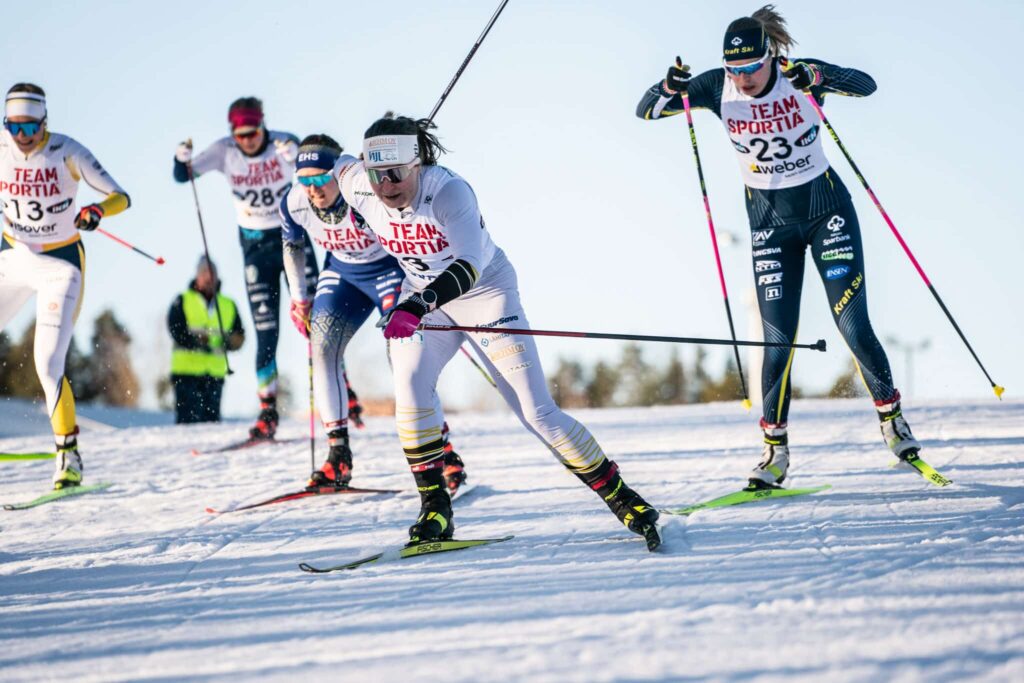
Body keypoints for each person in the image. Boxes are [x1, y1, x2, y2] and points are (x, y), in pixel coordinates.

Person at [333, 113, 660, 549]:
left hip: (484, 293)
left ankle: (625, 499)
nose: (386, 184)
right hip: (425, 302)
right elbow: (327, 163)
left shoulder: (449, 191)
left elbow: (467, 266)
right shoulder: (356, 184)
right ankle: (435, 509)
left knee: (536, 412)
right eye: (377, 173)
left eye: (396, 172)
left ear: (417, 163)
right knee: (409, 389)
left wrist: (418, 302)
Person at [636, 5, 922, 488]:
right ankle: (774, 453)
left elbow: (866, 84)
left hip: (827, 213)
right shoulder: (714, 86)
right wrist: (669, 86)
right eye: (735, 70)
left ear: (770, 55)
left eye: (751, 68)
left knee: (852, 324)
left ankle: (892, 420)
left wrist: (817, 75)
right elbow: (645, 109)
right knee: (776, 341)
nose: (744, 79)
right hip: (769, 228)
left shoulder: (796, 75)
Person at [280, 134, 466, 492]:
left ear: (338, 173)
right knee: (321, 349)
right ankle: (338, 455)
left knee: (405, 357)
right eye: (305, 181)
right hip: (344, 275)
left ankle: (443, 450)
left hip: (389, 271)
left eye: (321, 178)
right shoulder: (294, 203)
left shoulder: (363, 190)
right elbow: (292, 246)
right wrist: (300, 299)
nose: (313, 189)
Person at [0, 82, 131, 488]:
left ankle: (68, 456)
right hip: (14, 257)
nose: (22, 138)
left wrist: (96, 210)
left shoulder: (67, 151)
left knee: (47, 363)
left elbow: (120, 196)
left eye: (30, 128)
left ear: (44, 122)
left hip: (60, 264)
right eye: (13, 127)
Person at [172, 97, 317, 440]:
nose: (248, 140)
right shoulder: (225, 151)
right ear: (232, 133)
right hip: (255, 249)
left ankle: (341, 393)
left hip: (293, 240)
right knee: (267, 332)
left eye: (253, 133)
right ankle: (268, 411)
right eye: (240, 135)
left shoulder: (284, 143)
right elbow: (183, 175)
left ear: (263, 125)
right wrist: (180, 157)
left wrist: (296, 157)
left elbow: (315, 173)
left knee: (317, 321)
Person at [168, 257, 244, 424]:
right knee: (187, 423)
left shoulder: (228, 304)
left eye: (212, 274)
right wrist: (195, 342)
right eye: (204, 273)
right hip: (186, 373)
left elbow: (239, 335)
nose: (209, 278)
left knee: (211, 425)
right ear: (197, 276)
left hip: (214, 375)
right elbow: (175, 329)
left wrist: (230, 342)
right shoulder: (182, 300)